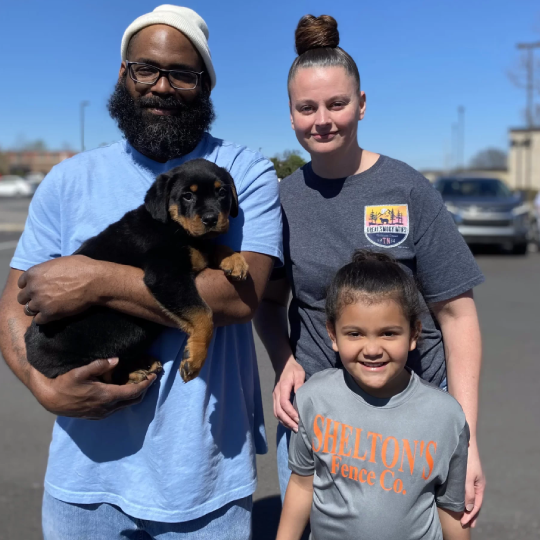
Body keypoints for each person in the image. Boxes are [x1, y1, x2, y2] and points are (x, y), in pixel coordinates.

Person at [0, 5, 282, 539]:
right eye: (145, 69)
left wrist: (95, 280)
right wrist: (44, 386)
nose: (161, 86)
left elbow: (238, 299)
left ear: (204, 86)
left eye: (181, 73)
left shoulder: (243, 171)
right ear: (123, 74)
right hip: (83, 484)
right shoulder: (67, 181)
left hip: (203, 485)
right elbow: (13, 306)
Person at [254, 14, 485, 528]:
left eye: (336, 103)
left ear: (361, 104)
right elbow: (268, 305)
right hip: (318, 421)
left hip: (412, 419)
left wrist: (465, 438)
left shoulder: (406, 190)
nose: (322, 119)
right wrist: (283, 360)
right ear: (290, 116)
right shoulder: (282, 201)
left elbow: (457, 315)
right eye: (306, 107)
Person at [276, 251, 470, 540]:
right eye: (354, 334)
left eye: (389, 333)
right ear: (333, 335)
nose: (372, 349)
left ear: (414, 334)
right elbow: (302, 485)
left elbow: (451, 510)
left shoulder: (446, 417)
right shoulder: (314, 398)